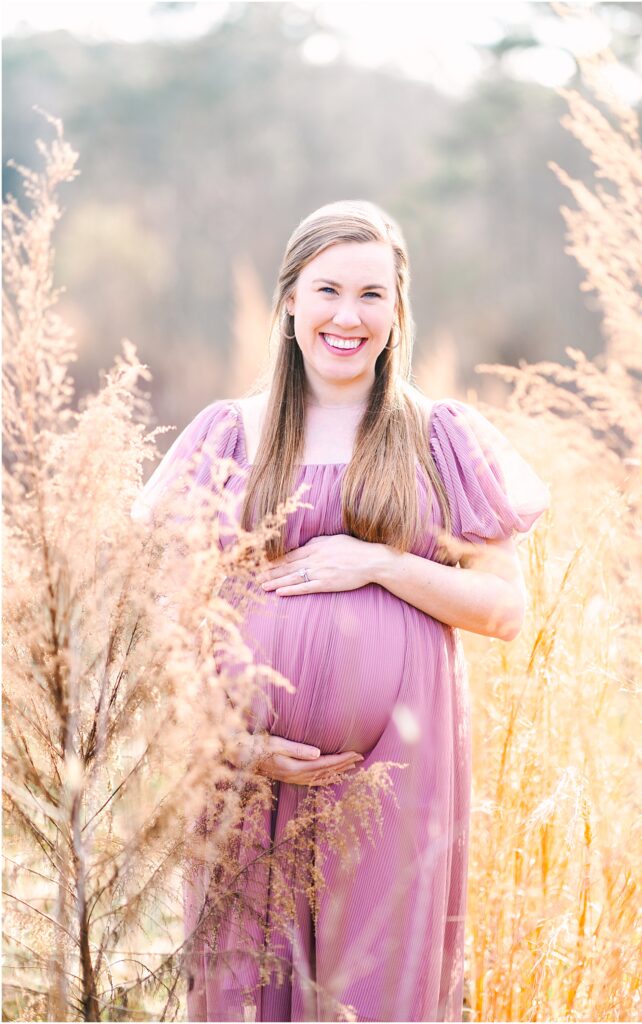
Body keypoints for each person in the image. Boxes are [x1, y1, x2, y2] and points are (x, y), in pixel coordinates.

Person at [135, 199, 550, 1022]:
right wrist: (225, 738)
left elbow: (505, 610)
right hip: (244, 770)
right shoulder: (230, 436)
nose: (348, 317)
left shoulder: (439, 438)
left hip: (398, 772)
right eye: (328, 290)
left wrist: (382, 564)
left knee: (376, 995)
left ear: (398, 313)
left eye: (373, 295)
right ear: (290, 301)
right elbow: (157, 621)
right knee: (243, 993)